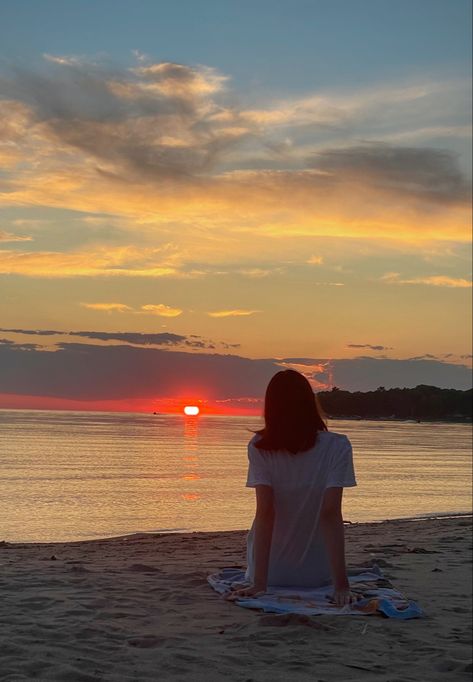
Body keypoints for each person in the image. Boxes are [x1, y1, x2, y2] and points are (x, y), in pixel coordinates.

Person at [226, 369, 358, 607]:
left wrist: (260, 584)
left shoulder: (259, 446)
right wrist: (341, 586)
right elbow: (330, 513)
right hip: (318, 575)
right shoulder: (338, 446)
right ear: (310, 403)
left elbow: (266, 513)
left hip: (272, 573)